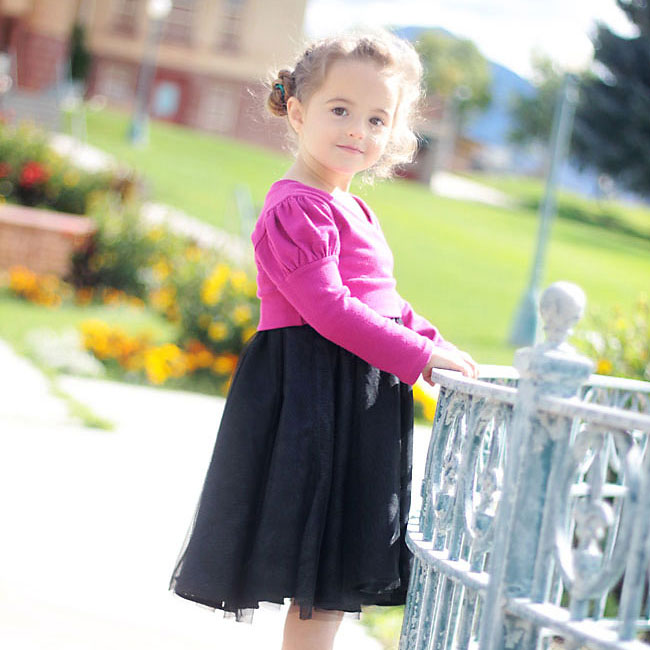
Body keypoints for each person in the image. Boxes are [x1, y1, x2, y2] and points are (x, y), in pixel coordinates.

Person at [168, 27, 479, 650]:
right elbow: (331, 311)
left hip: (353, 396)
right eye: (341, 110)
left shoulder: (355, 209)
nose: (357, 130)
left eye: (375, 118)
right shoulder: (295, 209)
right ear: (301, 111)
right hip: (312, 399)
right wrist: (418, 359)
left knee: (336, 577)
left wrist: (436, 343)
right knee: (318, 572)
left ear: (394, 134)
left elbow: (381, 301)